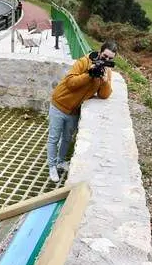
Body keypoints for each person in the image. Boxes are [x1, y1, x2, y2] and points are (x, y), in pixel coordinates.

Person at [47, 40, 117, 182]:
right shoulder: (84, 62)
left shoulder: (106, 71)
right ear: (100, 52)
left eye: (110, 59)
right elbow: (70, 83)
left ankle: (60, 161)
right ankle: (52, 166)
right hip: (60, 104)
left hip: (74, 110)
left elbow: (105, 95)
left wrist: (104, 81)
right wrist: (89, 74)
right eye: (105, 56)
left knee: (67, 138)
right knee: (54, 138)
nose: (106, 60)